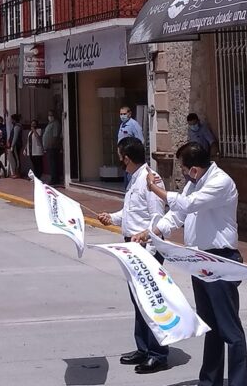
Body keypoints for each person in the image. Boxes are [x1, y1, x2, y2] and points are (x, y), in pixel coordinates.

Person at [134, 142, 247, 386]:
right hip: (200, 261)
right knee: (211, 326)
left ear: (194, 169)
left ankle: (238, 381)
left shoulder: (221, 182)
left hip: (220, 260)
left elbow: (187, 204)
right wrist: (151, 232)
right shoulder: (193, 184)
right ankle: (210, 380)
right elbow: (177, 215)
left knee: (230, 330)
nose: (183, 173)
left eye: (184, 168)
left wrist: (155, 189)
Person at [98, 138, 169, 373]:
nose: (120, 161)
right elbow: (131, 214)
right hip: (131, 247)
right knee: (138, 300)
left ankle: (158, 353)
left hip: (146, 249)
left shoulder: (151, 179)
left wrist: (150, 250)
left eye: (120, 156)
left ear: (126, 157)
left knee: (151, 301)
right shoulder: (134, 178)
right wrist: (112, 217)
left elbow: (157, 218)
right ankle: (143, 347)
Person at [118, 106, 144, 187]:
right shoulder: (122, 125)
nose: (122, 116)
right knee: (126, 180)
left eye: (124, 114)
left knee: (131, 180)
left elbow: (140, 141)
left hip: (131, 157)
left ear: (129, 114)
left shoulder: (134, 125)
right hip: (123, 156)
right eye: (121, 114)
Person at [42, 110, 63, 186]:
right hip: (49, 147)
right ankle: (54, 178)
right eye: (49, 115)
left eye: (51, 115)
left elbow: (55, 136)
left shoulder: (56, 124)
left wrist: (51, 144)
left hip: (53, 147)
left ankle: (55, 179)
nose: (49, 117)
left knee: (53, 163)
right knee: (51, 163)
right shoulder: (50, 124)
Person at [7, 113, 23, 178]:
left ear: (14, 120)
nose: (11, 121)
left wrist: (12, 146)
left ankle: (17, 173)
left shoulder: (17, 127)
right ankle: (17, 172)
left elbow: (15, 137)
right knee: (16, 158)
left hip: (16, 145)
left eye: (12, 119)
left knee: (17, 159)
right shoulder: (16, 126)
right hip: (15, 145)